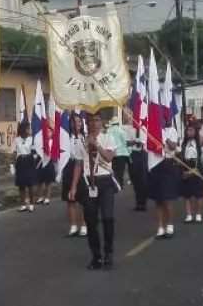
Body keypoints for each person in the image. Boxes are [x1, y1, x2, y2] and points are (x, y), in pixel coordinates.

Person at [69, 113, 120, 270]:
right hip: (88, 183)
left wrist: (96, 144)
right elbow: (78, 164)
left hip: (105, 182)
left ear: (102, 122)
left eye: (97, 120)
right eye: (91, 120)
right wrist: (73, 186)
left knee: (108, 218)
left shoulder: (108, 138)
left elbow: (109, 157)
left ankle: (109, 253)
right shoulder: (81, 141)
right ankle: (96, 256)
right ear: (87, 123)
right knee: (91, 221)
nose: (94, 123)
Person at [149, 123, 181, 238]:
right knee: (158, 200)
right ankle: (160, 227)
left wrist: (164, 137)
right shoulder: (153, 129)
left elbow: (172, 146)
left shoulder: (171, 130)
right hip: (156, 165)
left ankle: (169, 226)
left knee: (168, 199)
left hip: (168, 165)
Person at [61, 113, 88, 237]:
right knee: (70, 199)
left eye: (79, 121)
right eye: (74, 121)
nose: (76, 123)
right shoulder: (66, 137)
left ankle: (84, 225)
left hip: (83, 167)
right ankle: (73, 226)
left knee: (83, 199)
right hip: (69, 166)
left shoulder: (85, 137)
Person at [178, 121, 203, 223]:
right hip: (186, 166)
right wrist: (183, 171)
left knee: (199, 194)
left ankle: (198, 214)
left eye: (191, 130)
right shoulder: (184, 143)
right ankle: (189, 215)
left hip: (197, 167)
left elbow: (201, 157)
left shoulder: (199, 143)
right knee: (187, 194)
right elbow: (181, 156)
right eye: (187, 130)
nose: (188, 132)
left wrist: (197, 169)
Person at [13, 121, 39, 212]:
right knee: (21, 185)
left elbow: (35, 151)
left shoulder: (31, 139)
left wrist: (34, 155)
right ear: (23, 129)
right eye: (28, 128)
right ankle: (23, 204)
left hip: (29, 161)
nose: (29, 130)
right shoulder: (17, 139)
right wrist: (12, 164)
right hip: (20, 161)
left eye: (30, 128)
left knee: (31, 184)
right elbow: (14, 152)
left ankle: (31, 204)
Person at [126, 118, 149, 212]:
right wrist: (135, 141)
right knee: (135, 179)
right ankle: (138, 203)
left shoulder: (146, 128)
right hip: (134, 154)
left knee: (144, 179)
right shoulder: (130, 129)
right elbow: (127, 142)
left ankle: (143, 203)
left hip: (144, 154)